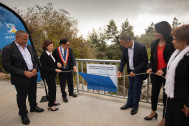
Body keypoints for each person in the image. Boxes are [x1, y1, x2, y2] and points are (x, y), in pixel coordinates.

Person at [2, 30, 44, 125]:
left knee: (33, 93)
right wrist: (23, 72)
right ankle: (23, 114)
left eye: (27, 39)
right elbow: (7, 66)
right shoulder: (7, 49)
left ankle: (33, 107)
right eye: (24, 39)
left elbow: (36, 60)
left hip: (32, 76)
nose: (26, 41)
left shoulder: (29, 47)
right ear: (17, 38)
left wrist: (35, 69)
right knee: (21, 96)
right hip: (20, 78)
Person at [144, 21, 175, 126]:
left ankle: (164, 118)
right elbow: (152, 59)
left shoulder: (172, 43)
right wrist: (150, 68)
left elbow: (175, 60)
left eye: (156, 31)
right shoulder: (154, 43)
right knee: (154, 94)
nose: (154, 33)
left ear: (163, 31)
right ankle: (153, 112)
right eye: (154, 31)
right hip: (155, 74)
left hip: (167, 75)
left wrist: (165, 70)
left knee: (166, 97)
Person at [164, 24, 189, 126]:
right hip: (172, 97)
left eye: (174, 39)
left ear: (185, 40)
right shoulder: (177, 54)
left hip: (183, 102)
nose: (172, 41)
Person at [118, 34, 148, 115]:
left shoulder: (141, 47)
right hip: (130, 71)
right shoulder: (125, 48)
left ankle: (135, 106)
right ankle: (129, 103)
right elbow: (123, 59)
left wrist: (135, 71)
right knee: (130, 88)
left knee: (136, 89)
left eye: (123, 44)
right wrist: (120, 70)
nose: (123, 46)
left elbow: (144, 62)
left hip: (138, 72)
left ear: (128, 42)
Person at [53, 38, 78, 103]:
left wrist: (74, 66)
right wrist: (57, 63)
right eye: (67, 45)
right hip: (61, 70)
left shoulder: (70, 49)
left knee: (70, 81)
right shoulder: (56, 50)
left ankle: (71, 92)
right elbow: (53, 59)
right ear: (62, 44)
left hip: (69, 69)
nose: (68, 46)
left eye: (68, 45)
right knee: (62, 83)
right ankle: (64, 96)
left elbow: (73, 58)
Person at [40, 40, 62, 111]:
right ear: (46, 46)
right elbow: (44, 67)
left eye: (52, 46)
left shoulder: (50, 53)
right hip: (48, 75)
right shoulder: (43, 55)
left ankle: (53, 101)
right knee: (52, 89)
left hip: (52, 74)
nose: (52, 47)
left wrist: (58, 63)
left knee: (53, 88)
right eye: (50, 46)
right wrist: (55, 70)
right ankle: (50, 105)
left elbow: (54, 61)